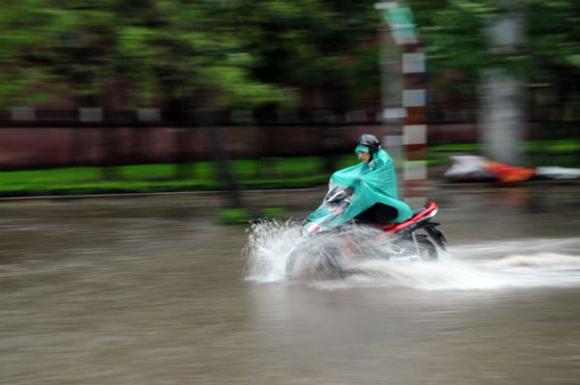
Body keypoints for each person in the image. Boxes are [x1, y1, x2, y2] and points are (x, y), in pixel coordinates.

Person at [352, 134, 412, 224]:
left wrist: (360, 180)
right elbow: (358, 174)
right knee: (355, 214)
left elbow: (372, 179)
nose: (360, 156)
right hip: (376, 202)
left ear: (371, 150)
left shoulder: (383, 160)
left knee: (361, 216)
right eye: (358, 152)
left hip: (387, 205)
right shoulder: (369, 163)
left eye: (362, 152)